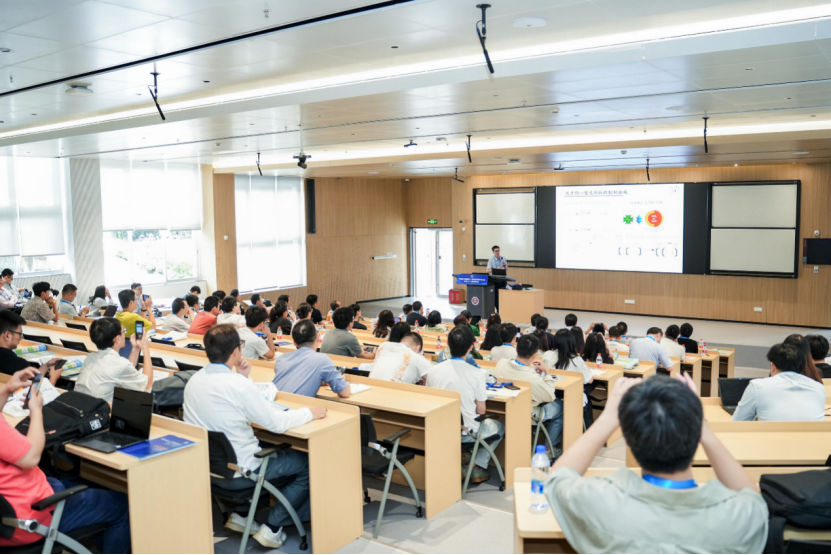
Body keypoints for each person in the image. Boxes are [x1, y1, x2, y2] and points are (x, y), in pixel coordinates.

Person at [547, 374, 768, 554]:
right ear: (697, 438)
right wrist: (704, 430)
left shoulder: (601, 501)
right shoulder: (735, 516)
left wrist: (607, 419)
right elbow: (753, 497)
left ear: (628, 442)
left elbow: (557, 478)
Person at [184, 325, 327, 549]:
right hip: (243, 472)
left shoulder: (194, 380)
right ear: (235, 351)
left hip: (209, 469)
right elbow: (276, 424)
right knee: (307, 464)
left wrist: (243, 377)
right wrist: (309, 412)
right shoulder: (238, 385)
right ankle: (272, 527)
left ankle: (242, 516)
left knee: (255, 443)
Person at [0, 367, 133, 553]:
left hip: (12, 514)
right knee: (123, 505)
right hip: (29, 518)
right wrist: (36, 411)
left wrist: (6, 389)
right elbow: (31, 457)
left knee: (89, 486)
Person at [424, 326, 503, 484]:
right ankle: (475, 466)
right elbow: (481, 411)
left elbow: (429, 400)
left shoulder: (433, 371)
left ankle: (467, 460)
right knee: (499, 426)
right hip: (465, 432)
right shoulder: (476, 374)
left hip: (438, 427)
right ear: (471, 347)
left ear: (448, 344)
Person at [492, 334, 563, 460]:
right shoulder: (532, 378)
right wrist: (547, 372)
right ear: (535, 354)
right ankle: (548, 448)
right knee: (562, 407)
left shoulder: (501, 364)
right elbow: (550, 396)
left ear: (516, 349)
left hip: (504, 409)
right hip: (529, 414)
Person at [733, 343, 825, 422]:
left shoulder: (757, 386)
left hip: (771, 437)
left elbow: (738, 422)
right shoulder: (818, 387)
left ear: (772, 366)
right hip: (813, 437)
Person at [75, 318, 153, 402]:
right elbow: (147, 384)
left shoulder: (90, 358)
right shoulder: (120, 364)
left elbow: (125, 372)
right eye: (123, 332)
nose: (124, 334)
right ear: (117, 339)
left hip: (80, 405)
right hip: (101, 408)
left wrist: (135, 349)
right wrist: (145, 348)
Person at [273, 320, 350, 398]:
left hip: (273, 402)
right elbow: (345, 393)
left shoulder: (281, 359)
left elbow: (293, 380)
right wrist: (341, 379)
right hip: (296, 404)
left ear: (294, 342)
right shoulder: (322, 360)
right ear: (317, 337)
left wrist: (318, 380)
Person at [0, 311, 63, 383]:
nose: (21, 338)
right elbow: (35, 389)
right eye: (19, 334)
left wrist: (46, 366)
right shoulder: (17, 364)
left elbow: (32, 377)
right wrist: (53, 377)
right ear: (7, 335)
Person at [114, 290, 156, 356]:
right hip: (133, 351)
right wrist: (149, 308)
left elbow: (140, 322)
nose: (137, 301)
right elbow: (153, 325)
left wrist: (144, 308)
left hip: (124, 351)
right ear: (131, 302)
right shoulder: (133, 317)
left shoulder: (118, 315)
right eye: (136, 299)